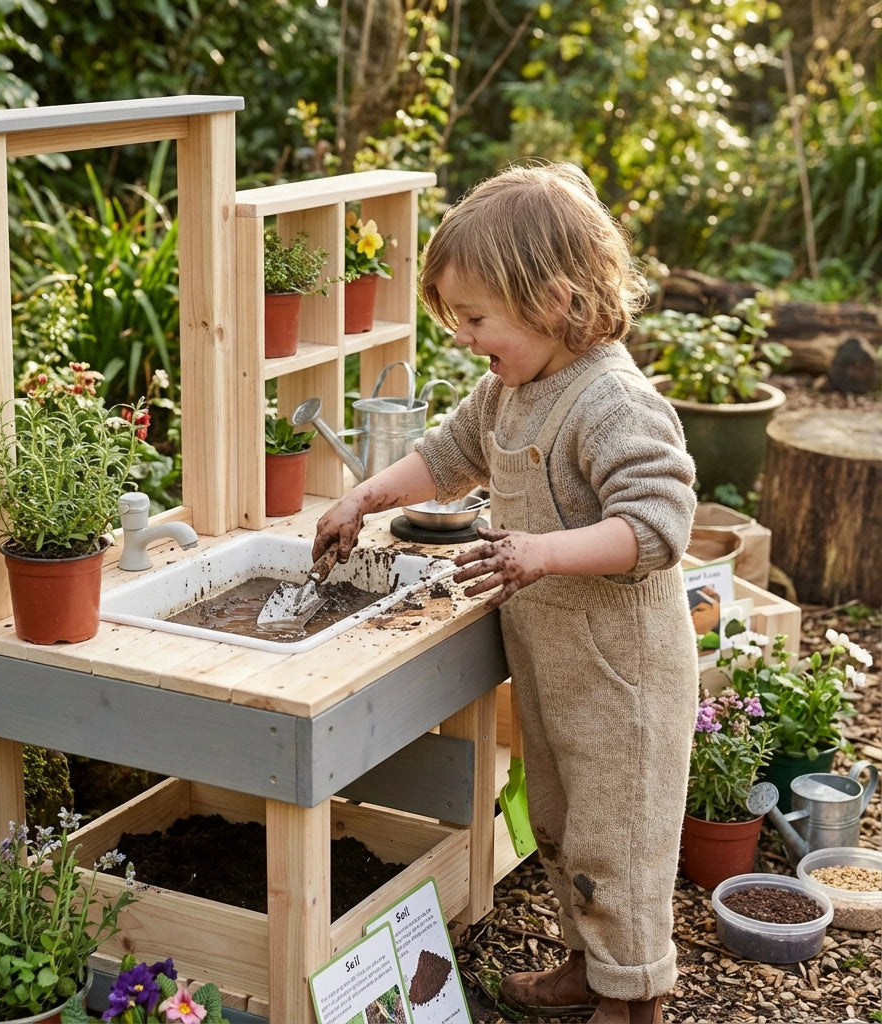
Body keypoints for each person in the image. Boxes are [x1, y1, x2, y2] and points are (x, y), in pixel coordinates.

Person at [312, 163, 699, 1024]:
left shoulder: (612, 401)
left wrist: (543, 552)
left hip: (624, 681)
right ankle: (587, 963)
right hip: (560, 670)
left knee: (620, 840)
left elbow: (658, 528)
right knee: (562, 825)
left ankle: (638, 999)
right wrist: (363, 498)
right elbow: (447, 459)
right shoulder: (508, 389)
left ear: (555, 300)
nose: (463, 337)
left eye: (477, 318)